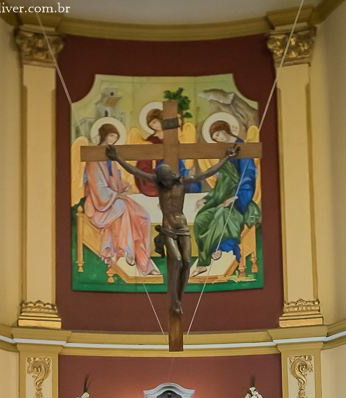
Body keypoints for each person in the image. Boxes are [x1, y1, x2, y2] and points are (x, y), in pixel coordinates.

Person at [105, 143, 239, 316]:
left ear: (171, 177)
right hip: (168, 227)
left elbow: (208, 173)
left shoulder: (182, 182)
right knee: (175, 260)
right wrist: (117, 158)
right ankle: (174, 298)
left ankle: (179, 299)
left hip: (182, 227)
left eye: (167, 180)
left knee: (186, 261)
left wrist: (227, 157)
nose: (165, 183)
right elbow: (136, 172)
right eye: (162, 181)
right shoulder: (159, 183)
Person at [84, 123, 160, 277]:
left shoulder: (111, 159)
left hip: (112, 201)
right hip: (99, 207)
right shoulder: (93, 157)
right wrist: (114, 193)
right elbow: (97, 187)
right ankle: (127, 252)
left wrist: (121, 187)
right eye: (111, 136)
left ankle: (144, 261)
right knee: (122, 208)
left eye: (115, 137)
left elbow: (113, 183)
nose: (113, 140)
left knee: (142, 215)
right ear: (104, 136)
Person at [192, 120, 260, 276]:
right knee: (201, 218)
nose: (218, 139)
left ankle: (215, 250)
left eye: (217, 134)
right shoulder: (225, 153)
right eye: (214, 138)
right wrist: (207, 199)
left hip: (240, 200)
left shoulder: (243, 149)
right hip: (222, 198)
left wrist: (236, 198)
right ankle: (204, 259)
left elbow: (248, 178)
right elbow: (221, 184)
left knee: (221, 214)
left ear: (225, 130)